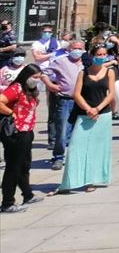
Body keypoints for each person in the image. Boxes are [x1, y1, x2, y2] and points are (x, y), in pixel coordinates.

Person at [59, 42, 117, 193]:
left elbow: (111, 93)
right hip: (85, 113)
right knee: (75, 147)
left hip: (103, 113)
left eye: (104, 55)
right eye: (99, 55)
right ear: (92, 56)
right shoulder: (83, 73)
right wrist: (89, 109)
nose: (102, 57)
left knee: (98, 149)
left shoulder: (109, 72)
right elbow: (76, 94)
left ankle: (93, 179)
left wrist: (98, 108)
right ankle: (72, 180)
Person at [0, 65, 55, 212]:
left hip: (27, 131)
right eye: (35, 77)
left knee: (24, 165)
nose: (37, 80)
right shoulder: (16, 88)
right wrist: (11, 113)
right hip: (15, 132)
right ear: (27, 75)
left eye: (39, 77)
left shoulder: (30, 90)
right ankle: (7, 202)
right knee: (13, 167)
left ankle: (27, 194)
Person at [43, 40, 86, 169]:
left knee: (78, 131)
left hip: (83, 101)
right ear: (69, 49)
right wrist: (50, 85)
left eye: (80, 48)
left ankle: (75, 156)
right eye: (74, 48)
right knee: (62, 130)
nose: (77, 50)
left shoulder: (87, 62)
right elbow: (44, 72)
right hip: (66, 100)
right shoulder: (61, 61)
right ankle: (58, 157)